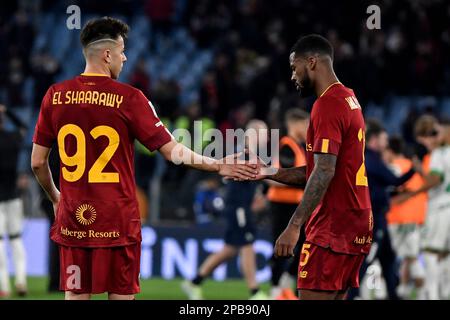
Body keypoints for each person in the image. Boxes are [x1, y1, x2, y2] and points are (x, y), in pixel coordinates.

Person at [30, 17, 257, 301]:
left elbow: (38, 162)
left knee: (77, 296)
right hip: (118, 221)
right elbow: (173, 151)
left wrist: (55, 197)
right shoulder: (130, 98)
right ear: (107, 54)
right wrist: (219, 164)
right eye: (122, 50)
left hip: (75, 218)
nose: (125, 58)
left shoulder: (55, 96)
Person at [250, 34, 373, 300]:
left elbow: (325, 171)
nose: (293, 77)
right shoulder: (349, 98)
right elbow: (319, 170)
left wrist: (294, 227)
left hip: (333, 226)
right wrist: (268, 172)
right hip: (356, 222)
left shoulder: (327, 104)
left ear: (312, 62)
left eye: (295, 69)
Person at [182, 120, 269, 300]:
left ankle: (194, 282)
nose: (267, 137)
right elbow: (264, 176)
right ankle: (255, 292)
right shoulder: (244, 154)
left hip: (239, 206)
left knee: (230, 249)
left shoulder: (248, 153)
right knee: (247, 244)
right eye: (264, 133)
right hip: (238, 207)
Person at [349, 120, 416, 300]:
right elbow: (394, 180)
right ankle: (352, 294)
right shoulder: (370, 158)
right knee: (367, 257)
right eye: (384, 139)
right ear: (375, 140)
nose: (386, 144)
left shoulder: (368, 157)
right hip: (373, 218)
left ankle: (393, 295)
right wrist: (414, 169)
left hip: (378, 216)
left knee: (388, 258)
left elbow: (385, 182)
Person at [405, 116, 450, 299]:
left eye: (436, 132)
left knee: (431, 254)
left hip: (440, 209)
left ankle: (432, 295)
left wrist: (413, 192)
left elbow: (435, 179)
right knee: (446, 255)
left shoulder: (439, 154)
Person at [266, 108, 308, 300]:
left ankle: (283, 283)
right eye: (305, 124)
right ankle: (276, 288)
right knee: (284, 246)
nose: (308, 128)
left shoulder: (297, 146)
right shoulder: (287, 146)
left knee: (300, 245)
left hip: (293, 203)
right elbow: (280, 176)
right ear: (295, 124)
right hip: (283, 203)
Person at [384, 136, 426, 299]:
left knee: (388, 257)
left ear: (390, 151)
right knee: (411, 256)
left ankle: (378, 290)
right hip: (415, 218)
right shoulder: (412, 167)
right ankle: (408, 291)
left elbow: (392, 193)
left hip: (397, 219)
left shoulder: (393, 168)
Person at [0, 104, 28, 297]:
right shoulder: (12, 138)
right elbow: (24, 127)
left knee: (0, 242)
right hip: (14, 197)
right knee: (16, 239)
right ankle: (21, 281)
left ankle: (4, 287)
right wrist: (7, 110)